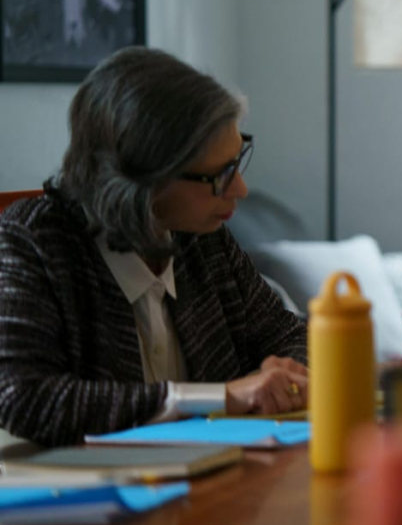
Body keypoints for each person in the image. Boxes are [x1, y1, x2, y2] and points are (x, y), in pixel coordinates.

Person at [0, 48, 308, 447]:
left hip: (214, 485)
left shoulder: (205, 240)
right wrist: (223, 396)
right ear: (140, 180)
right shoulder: (31, 242)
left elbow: (288, 333)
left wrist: (283, 371)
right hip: (87, 501)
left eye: (238, 160)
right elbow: (22, 398)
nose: (241, 189)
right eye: (220, 175)